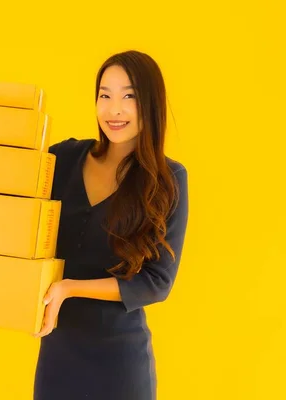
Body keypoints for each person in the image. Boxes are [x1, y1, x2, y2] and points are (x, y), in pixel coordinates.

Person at [32, 50, 189, 400]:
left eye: (128, 96)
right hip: (57, 355)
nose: (113, 110)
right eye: (105, 95)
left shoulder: (168, 179)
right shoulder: (63, 159)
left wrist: (69, 288)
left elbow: (157, 283)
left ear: (150, 104)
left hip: (119, 364)